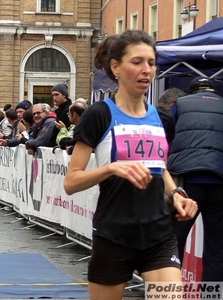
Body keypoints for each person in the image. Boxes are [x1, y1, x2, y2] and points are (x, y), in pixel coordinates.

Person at [63, 30, 198, 300]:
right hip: (114, 235)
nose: (146, 70)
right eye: (137, 62)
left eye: (151, 62)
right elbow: (71, 182)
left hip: (158, 234)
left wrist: (175, 194)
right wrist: (111, 168)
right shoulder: (99, 115)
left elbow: (159, 166)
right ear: (116, 67)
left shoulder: (162, 118)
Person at [167, 76, 223, 281]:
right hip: (219, 180)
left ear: (191, 92)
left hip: (187, 181)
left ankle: (165, 296)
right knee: (217, 251)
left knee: (171, 246)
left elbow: (169, 138)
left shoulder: (180, 104)